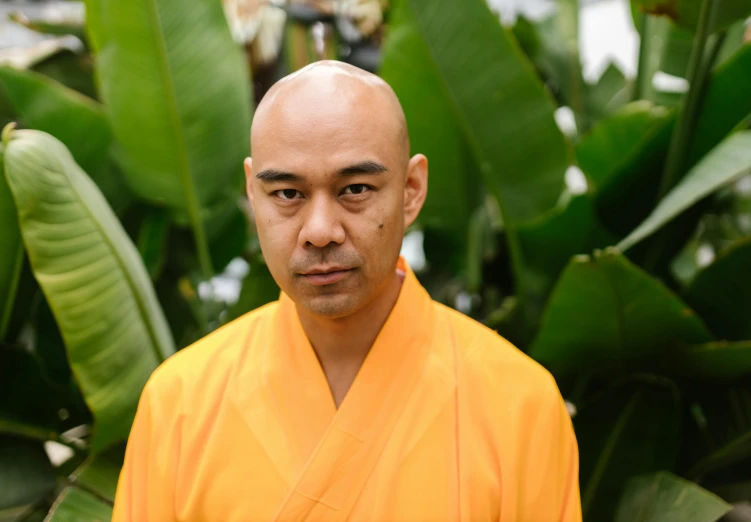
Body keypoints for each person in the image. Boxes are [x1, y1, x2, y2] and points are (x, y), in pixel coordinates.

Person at [112, 61, 581, 522]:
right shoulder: (181, 403)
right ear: (254, 194)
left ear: (411, 189)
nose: (319, 231)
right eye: (288, 195)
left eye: (355, 188)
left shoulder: (519, 405)